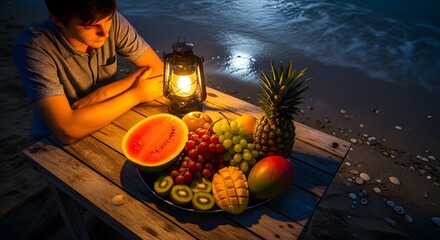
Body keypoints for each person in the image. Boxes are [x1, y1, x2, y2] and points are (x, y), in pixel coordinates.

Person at [13, 0, 163, 144]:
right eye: (90, 27)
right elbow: (67, 130)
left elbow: (158, 69)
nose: (105, 33)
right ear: (57, 20)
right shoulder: (34, 48)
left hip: (111, 118)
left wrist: (100, 95)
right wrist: (136, 95)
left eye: (108, 20)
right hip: (54, 142)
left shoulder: (107, 19)